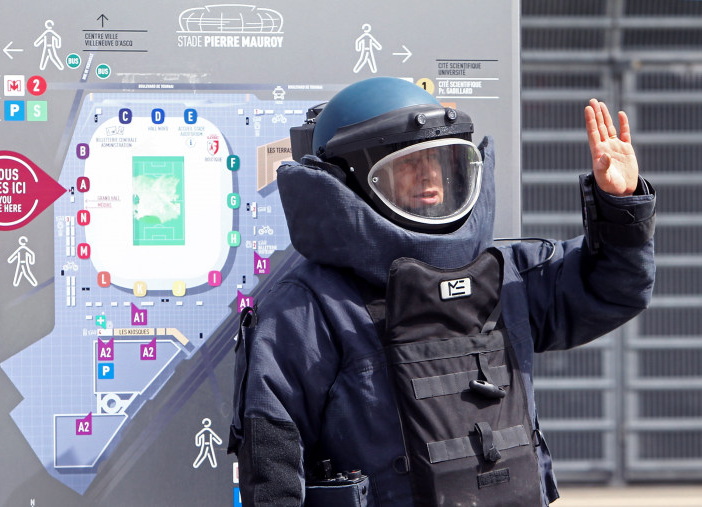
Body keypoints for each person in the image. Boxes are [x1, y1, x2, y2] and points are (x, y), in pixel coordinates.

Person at [228, 77, 655, 506]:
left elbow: (614, 289)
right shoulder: (308, 309)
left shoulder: (506, 275)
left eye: (440, 159)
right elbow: (273, 463)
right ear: (350, 181)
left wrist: (619, 205)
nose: (429, 176)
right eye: (407, 164)